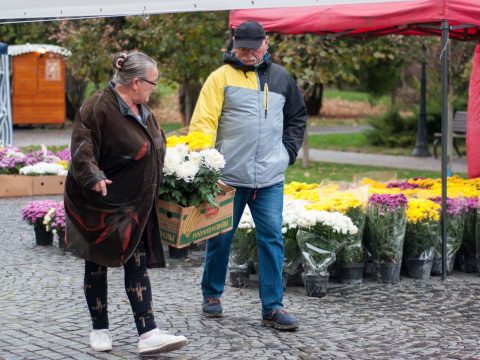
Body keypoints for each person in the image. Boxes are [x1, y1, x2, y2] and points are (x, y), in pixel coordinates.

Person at [64, 51, 188, 354]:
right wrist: (93, 177)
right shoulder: (97, 107)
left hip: (135, 202)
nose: (154, 88)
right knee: (97, 263)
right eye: (153, 83)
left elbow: (154, 143)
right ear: (135, 82)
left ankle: (147, 333)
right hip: (99, 202)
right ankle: (100, 329)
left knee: (137, 261)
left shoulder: (143, 108)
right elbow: (82, 149)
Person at [189, 21, 307, 331]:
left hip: (270, 177)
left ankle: (273, 307)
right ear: (234, 44)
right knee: (220, 237)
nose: (248, 54)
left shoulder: (281, 78)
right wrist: (206, 165)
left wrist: (288, 153)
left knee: (271, 240)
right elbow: (203, 122)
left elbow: (297, 118)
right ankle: (212, 295)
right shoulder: (220, 78)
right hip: (227, 176)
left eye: (253, 48)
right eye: (242, 48)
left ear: (266, 44)